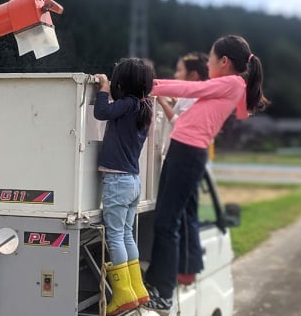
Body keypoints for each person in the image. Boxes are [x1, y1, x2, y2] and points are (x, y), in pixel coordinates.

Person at [143, 35, 270, 315]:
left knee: (167, 223)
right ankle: (158, 287)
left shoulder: (232, 82)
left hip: (188, 154)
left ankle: (163, 293)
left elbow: (188, 89)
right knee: (166, 220)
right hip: (184, 151)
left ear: (224, 62)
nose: (209, 62)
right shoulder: (235, 85)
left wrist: (148, 85)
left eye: (211, 58)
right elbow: (243, 111)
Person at [93, 57, 156, 316]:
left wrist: (104, 90)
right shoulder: (144, 105)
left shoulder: (128, 105)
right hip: (132, 180)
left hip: (118, 181)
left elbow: (101, 113)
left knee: (116, 235)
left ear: (122, 82)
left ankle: (122, 294)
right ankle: (137, 288)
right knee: (127, 234)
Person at [155, 51, 209, 287]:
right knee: (183, 214)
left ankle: (185, 270)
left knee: (179, 217)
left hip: (185, 156)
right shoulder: (191, 96)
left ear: (194, 74)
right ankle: (186, 269)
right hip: (184, 156)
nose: (176, 75)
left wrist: (161, 100)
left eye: (179, 71)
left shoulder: (198, 98)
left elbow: (179, 123)